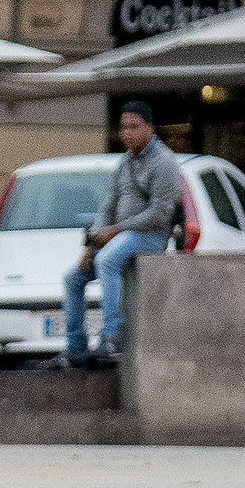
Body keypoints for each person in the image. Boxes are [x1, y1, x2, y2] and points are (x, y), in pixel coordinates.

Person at [58, 100, 182, 369]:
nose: (127, 133)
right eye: (124, 127)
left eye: (134, 127)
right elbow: (109, 206)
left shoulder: (164, 162)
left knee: (108, 260)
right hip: (121, 236)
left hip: (150, 236)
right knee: (72, 278)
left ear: (150, 128)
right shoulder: (125, 162)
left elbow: (160, 214)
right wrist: (92, 244)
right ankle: (75, 349)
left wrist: (115, 231)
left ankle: (112, 336)